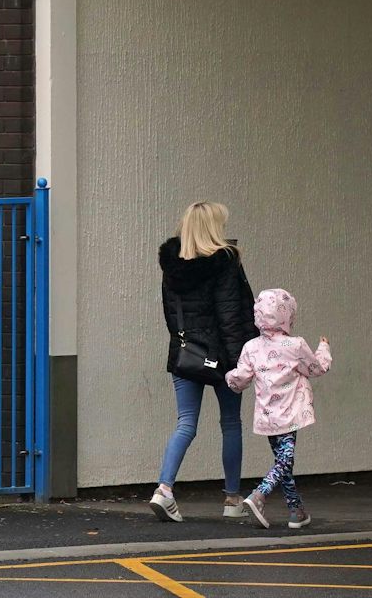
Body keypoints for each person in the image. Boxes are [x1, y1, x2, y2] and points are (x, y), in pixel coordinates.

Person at [150, 202, 255, 523]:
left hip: (186, 355)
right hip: (222, 357)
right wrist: (241, 361)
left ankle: (164, 490)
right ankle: (232, 499)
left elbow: (171, 315)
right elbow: (230, 315)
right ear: (212, 228)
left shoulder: (172, 266)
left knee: (185, 423)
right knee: (231, 424)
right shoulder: (225, 262)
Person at [225, 287, 332, 530]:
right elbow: (316, 369)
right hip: (290, 413)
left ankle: (296, 511)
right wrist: (324, 348)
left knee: (283, 461)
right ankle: (259, 495)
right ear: (287, 316)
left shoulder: (250, 347)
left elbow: (240, 379)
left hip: (267, 416)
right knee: (285, 460)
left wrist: (227, 376)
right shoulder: (295, 345)